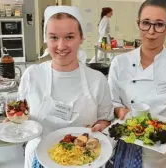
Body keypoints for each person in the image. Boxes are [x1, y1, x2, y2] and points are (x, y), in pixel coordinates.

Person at [106, 0, 166, 167]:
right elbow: (111, 101)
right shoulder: (120, 62)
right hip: (126, 147)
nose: (151, 32)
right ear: (138, 23)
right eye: (146, 23)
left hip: (163, 156)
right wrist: (120, 110)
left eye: (159, 25)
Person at [18, 6, 113, 168]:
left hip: (85, 160)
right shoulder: (32, 75)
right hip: (39, 158)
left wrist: (101, 126)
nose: (61, 46)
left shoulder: (97, 80)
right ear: (45, 39)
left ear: (81, 38)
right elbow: (22, 116)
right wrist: (15, 123)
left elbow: (105, 119)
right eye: (53, 37)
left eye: (69, 37)